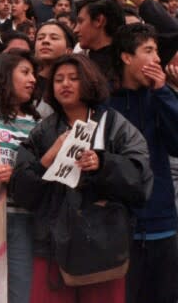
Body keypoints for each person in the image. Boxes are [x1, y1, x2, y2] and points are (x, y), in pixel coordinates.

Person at [11, 55, 152, 303]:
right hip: (52, 247)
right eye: (58, 79)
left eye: (74, 79)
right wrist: (48, 157)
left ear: (89, 82)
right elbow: (22, 192)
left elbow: (141, 181)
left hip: (103, 247)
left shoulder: (115, 125)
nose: (65, 84)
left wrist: (103, 164)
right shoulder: (43, 130)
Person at [109, 24, 178, 302]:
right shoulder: (106, 103)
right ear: (127, 57)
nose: (157, 59)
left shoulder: (161, 97)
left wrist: (163, 93)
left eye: (157, 52)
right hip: (120, 228)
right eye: (148, 51)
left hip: (163, 222)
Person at [0, 51, 41, 302]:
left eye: (34, 74)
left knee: (20, 292)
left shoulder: (39, 124)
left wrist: (16, 176)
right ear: (5, 76)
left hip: (21, 220)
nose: (33, 80)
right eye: (25, 72)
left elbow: (43, 171)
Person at [76, 0, 125, 77]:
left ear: (99, 20)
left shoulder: (126, 67)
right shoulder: (80, 61)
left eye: (81, 21)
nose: (76, 30)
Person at [34, 20, 75, 103]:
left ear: (69, 51)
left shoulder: (75, 85)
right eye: (40, 38)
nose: (45, 41)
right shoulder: (27, 82)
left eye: (54, 38)